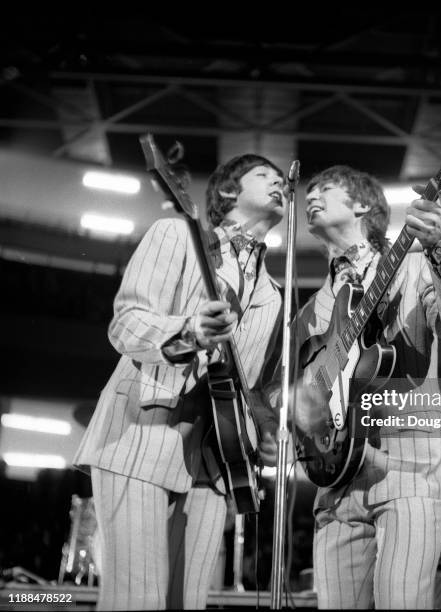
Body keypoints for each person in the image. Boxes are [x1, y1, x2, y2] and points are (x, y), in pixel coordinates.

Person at [73, 154, 284, 610]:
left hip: (213, 461)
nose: (280, 182)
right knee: (137, 598)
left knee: (186, 603)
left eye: (281, 178)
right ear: (228, 193)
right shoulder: (176, 235)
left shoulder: (272, 295)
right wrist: (190, 330)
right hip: (139, 437)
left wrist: (262, 433)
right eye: (264, 175)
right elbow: (126, 324)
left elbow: (250, 389)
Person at [289, 165, 441, 609]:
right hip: (335, 484)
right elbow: (304, 403)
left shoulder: (414, 263)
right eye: (309, 191)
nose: (311, 195)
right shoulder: (310, 312)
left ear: (363, 205)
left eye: (325, 188)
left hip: (410, 468)